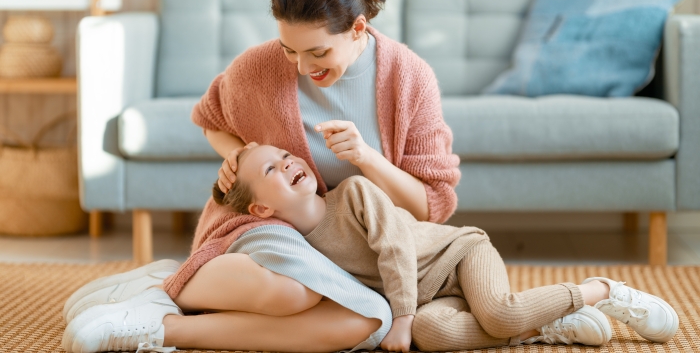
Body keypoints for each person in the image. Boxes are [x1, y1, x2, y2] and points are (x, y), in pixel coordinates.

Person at [62, 0, 465, 352]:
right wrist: (240, 156)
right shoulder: (260, 66)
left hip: (358, 256)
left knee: (369, 321)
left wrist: (366, 157)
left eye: (318, 53)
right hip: (270, 224)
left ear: (357, 27)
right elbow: (211, 118)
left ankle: (160, 322)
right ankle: (176, 285)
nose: (303, 67)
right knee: (296, 292)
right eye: (291, 50)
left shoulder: (410, 78)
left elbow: (430, 207)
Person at [211, 143, 680, 351]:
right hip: (431, 296)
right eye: (271, 169)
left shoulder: (353, 193)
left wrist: (402, 318)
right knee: (431, 338)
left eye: (286, 154)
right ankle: (542, 325)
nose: (288, 161)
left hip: (457, 255)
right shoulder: (291, 246)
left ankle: (603, 291)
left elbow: (394, 249)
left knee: (496, 314)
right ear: (260, 212)